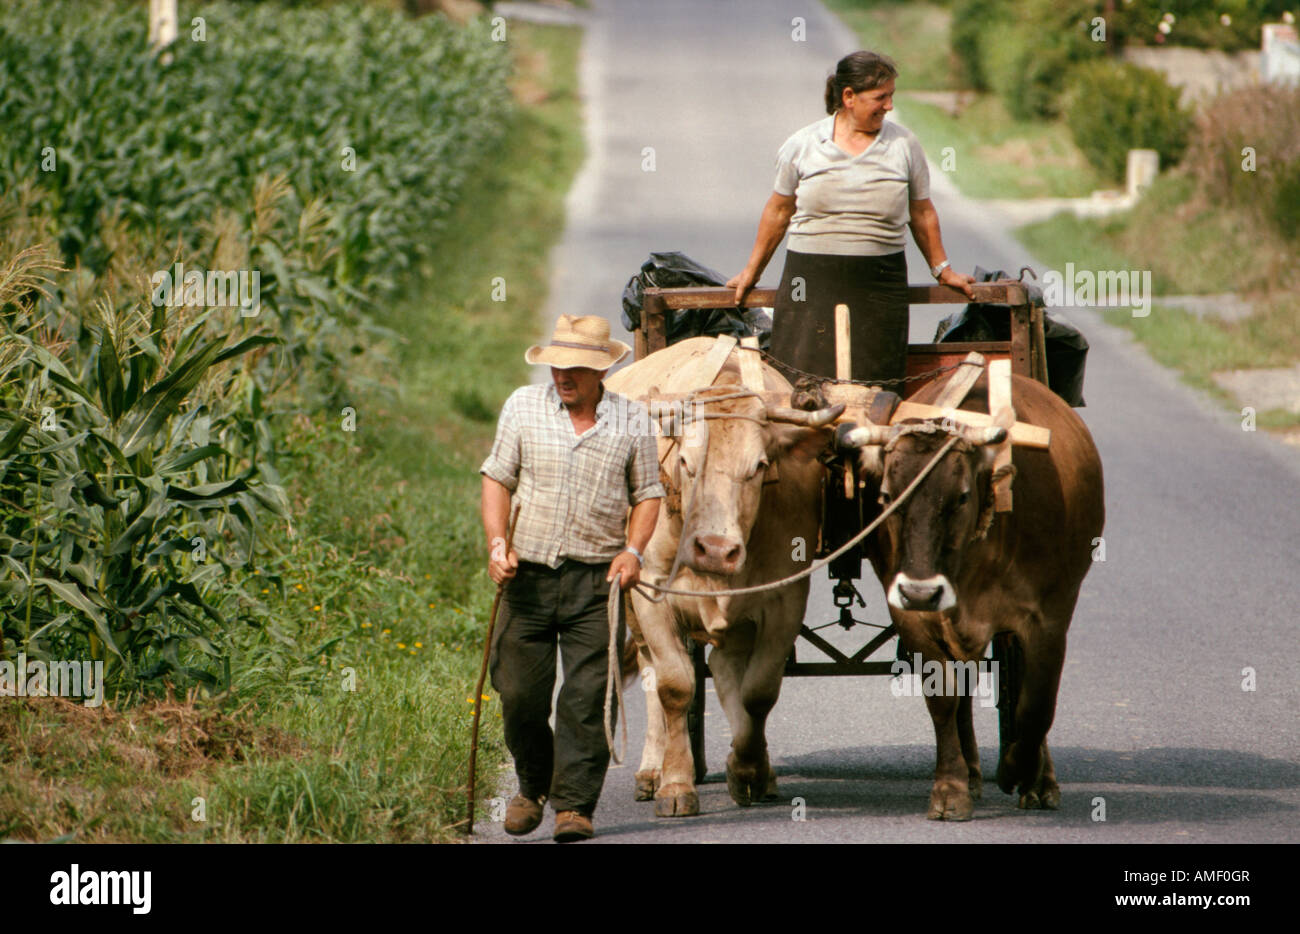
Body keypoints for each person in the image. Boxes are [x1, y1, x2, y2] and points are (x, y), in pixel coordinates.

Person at [479, 313, 663, 843]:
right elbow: (497, 479)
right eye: (559, 365)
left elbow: (647, 493)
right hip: (528, 577)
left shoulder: (631, 420)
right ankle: (532, 787)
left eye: (577, 368)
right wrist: (497, 544)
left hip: (596, 581)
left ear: (600, 371)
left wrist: (633, 551)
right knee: (518, 693)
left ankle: (575, 806)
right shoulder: (522, 407)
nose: (564, 375)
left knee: (586, 697)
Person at [727, 50, 977, 384]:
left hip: (879, 281)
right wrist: (751, 272)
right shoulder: (802, 145)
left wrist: (942, 270)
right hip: (809, 279)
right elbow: (779, 211)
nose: (889, 106)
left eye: (891, 96)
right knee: (800, 385)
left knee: (875, 386)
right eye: (880, 97)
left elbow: (921, 211)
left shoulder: (904, 145)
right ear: (848, 97)